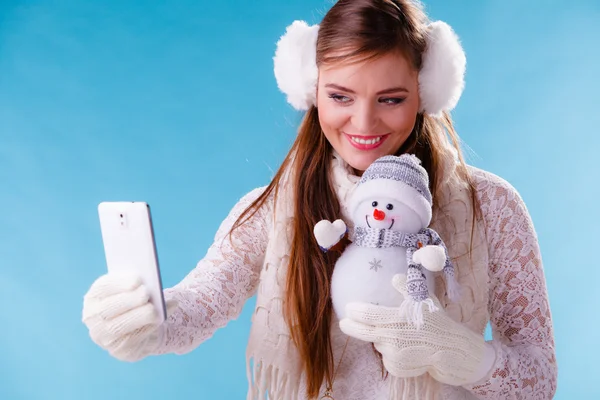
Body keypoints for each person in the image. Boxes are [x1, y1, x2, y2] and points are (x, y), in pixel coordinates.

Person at [81, 0, 558, 399]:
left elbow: (539, 380)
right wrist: (142, 320)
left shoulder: (489, 205)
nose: (364, 123)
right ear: (312, 93)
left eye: (391, 99)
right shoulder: (275, 207)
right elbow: (200, 307)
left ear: (426, 92)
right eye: (341, 96)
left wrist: (461, 353)